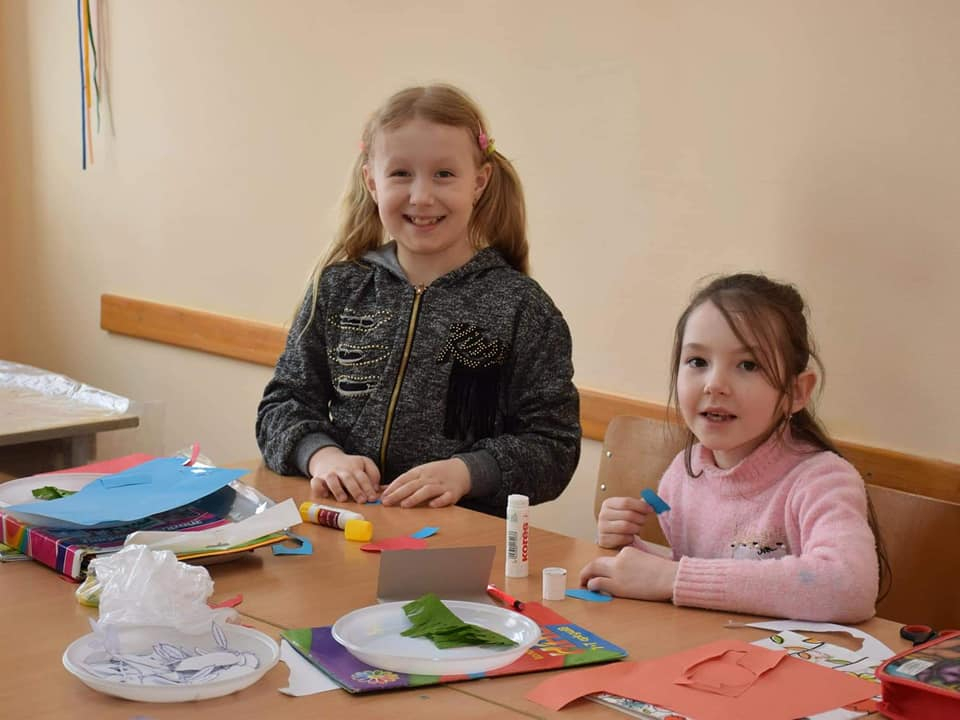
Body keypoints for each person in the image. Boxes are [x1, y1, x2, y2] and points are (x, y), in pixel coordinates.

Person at [256, 84, 580, 517]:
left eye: (444, 174)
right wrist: (322, 456)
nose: (422, 196)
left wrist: (468, 471)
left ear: (479, 182)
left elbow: (554, 447)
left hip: (458, 538)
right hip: (345, 523)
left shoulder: (521, 307)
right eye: (400, 173)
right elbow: (282, 406)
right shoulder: (338, 289)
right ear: (372, 182)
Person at [580, 273, 885, 622]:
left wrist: (671, 578)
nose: (715, 385)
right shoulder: (684, 473)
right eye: (698, 362)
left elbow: (849, 587)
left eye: (748, 365)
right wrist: (629, 551)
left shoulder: (823, 480)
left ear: (797, 392)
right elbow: (702, 585)